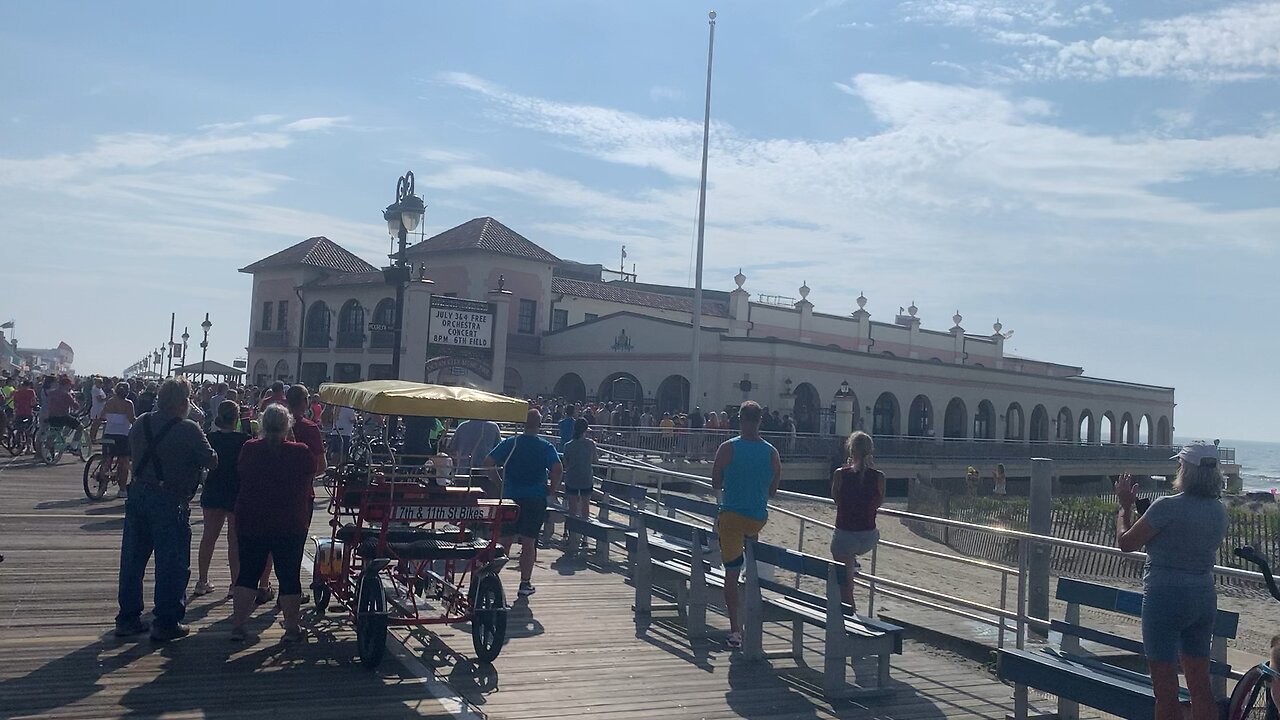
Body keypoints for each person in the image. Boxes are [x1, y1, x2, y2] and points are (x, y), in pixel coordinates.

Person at [1116, 441, 1228, 720]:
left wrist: (1124, 508)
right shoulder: (1219, 511)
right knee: (1200, 687)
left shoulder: (1165, 506)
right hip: (1202, 597)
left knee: (1165, 690)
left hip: (1165, 598)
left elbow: (1127, 543)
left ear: (1186, 471)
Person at [115, 379, 218, 642]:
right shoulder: (189, 429)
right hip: (169, 499)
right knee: (171, 563)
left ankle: (127, 618)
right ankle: (166, 621)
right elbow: (210, 460)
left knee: (132, 560)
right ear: (183, 402)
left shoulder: (140, 422)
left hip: (137, 495)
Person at [230, 404, 316, 642]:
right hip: (289, 522)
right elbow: (315, 470)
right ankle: (291, 628)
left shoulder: (250, 448)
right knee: (289, 575)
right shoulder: (300, 452)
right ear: (288, 425)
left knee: (248, 573)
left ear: (263, 425)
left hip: (252, 520)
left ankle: (238, 625)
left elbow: (242, 471)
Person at [711, 400, 781, 649]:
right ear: (760, 420)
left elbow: (715, 481)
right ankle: (751, 622)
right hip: (757, 518)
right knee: (750, 567)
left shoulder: (728, 448)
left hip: (731, 516)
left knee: (731, 572)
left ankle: (735, 630)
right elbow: (773, 490)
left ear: (739, 420)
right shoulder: (772, 452)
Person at [484, 410, 562, 598]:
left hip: (511, 496)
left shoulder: (511, 443)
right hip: (535, 497)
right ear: (540, 424)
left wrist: (499, 482)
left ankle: (491, 579)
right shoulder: (545, 446)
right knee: (529, 542)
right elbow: (558, 468)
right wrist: (552, 488)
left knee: (505, 540)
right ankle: (525, 583)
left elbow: (488, 462)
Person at [193, 401, 250, 598]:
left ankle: (202, 580)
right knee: (234, 541)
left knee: (208, 537)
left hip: (214, 489)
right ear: (236, 418)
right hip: (236, 491)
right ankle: (234, 584)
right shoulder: (244, 440)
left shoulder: (210, 438)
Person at [830, 431, 884, 612]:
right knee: (850, 554)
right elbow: (878, 503)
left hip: (846, 534)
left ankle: (850, 609)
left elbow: (837, 500)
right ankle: (852, 563)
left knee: (844, 579)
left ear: (851, 451)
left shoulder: (840, 474)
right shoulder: (879, 476)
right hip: (869, 536)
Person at [94, 382, 136, 497]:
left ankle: (102, 488)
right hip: (123, 436)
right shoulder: (128, 404)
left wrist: (93, 435)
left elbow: (101, 417)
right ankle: (122, 490)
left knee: (107, 460)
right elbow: (132, 420)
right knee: (124, 462)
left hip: (109, 434)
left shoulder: (110, 402)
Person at [448, 417, 502, 492]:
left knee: (463, 499)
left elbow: (452, 448)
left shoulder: (462, 426)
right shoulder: (493, 427)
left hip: (463, 472)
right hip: (485, 473)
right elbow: (498, 450)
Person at [562, 417, 597, 523]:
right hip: (586, 478)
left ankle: (572, 533)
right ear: (586, 429)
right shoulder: (591, 444)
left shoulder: (568, 445)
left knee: (572, 506)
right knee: (585, 505)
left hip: (572, 478)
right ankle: (584, 533)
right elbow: (595, 460)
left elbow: (565, 464)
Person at [44, 377, 82, 451]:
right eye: (69, 385)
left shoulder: (51, 393)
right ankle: (73, 447)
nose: (70, 387)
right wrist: (78, 403)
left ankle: (48, 447)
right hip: (63, 417)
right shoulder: (66, 394)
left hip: (51, 417)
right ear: (66, 385)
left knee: (54, 430)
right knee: (80, 428)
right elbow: (75, 406)